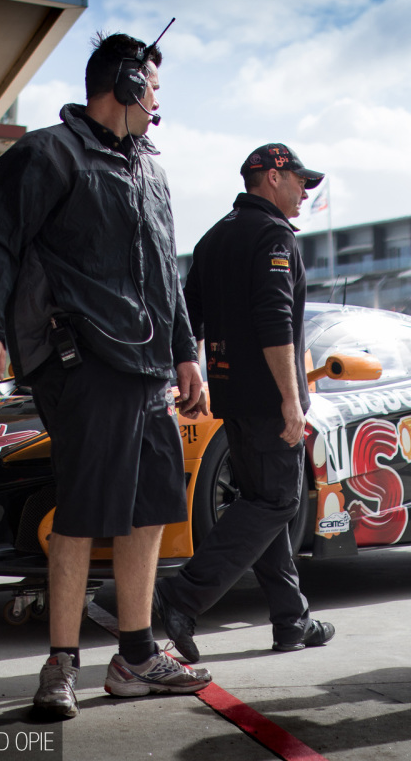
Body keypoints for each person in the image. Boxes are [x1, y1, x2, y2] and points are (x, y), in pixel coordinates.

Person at [0, 30, 211, 719]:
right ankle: (60, 664)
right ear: (124, 85)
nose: (158, 102)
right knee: (82, 510)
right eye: (152, 88)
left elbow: (166, 270)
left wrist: (185, 351)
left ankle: (136, 656)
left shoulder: (150, 170)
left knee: (150, 507)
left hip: (148, 368)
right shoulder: (45, 154)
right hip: (80, 358)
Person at [154, 143, 335, 664]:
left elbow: (186, 315)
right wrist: (291, 401)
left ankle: (291, 618)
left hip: (230, 395)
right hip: (267, 396)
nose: (305, 192)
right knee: (278, 501)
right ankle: (182, 595)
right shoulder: (274, 236)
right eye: (300, 180)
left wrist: (189, 372)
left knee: (262, 502)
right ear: (274, 176)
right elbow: (275, 323)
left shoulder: (215, 236)